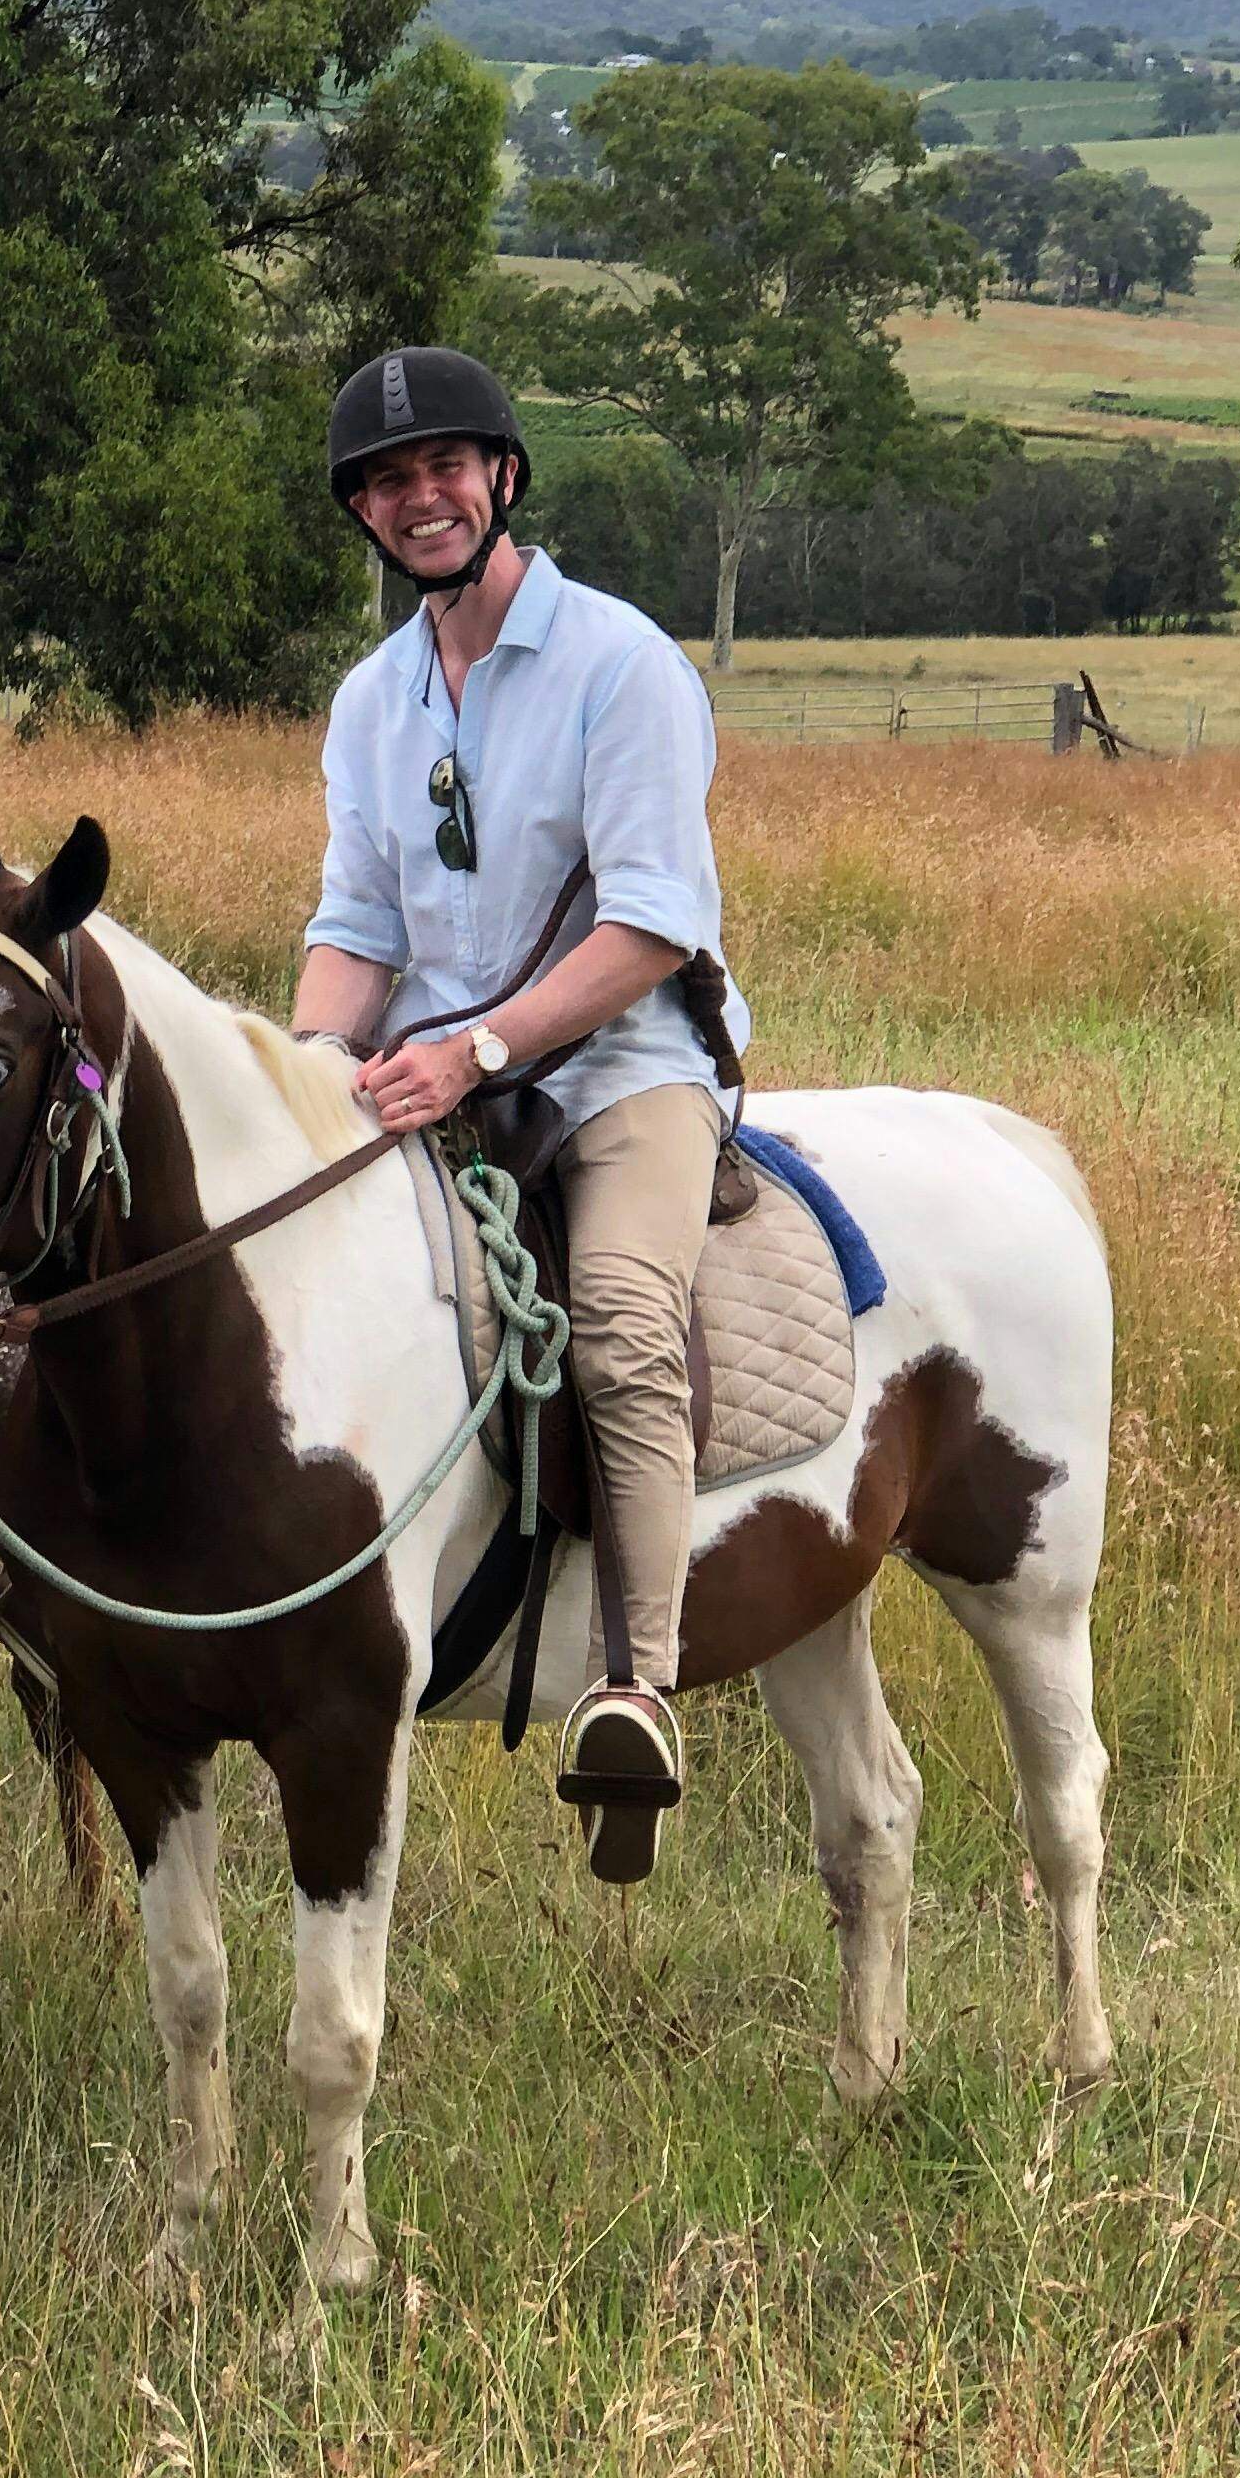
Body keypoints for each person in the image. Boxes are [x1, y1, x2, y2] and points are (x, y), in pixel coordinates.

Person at [288, 346, 752, 1882]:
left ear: (501, 479)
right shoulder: (374, 698)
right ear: (364, 512)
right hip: (433, 1065)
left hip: (623, 1068)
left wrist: (482, 1048)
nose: (418, 499)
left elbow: (653, 926)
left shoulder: (623, 665)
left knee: (618, 1315)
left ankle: (639, 1687)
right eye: (385, 482)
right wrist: (304, 1076)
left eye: (443, 470)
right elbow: (358, 921)